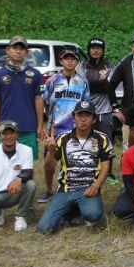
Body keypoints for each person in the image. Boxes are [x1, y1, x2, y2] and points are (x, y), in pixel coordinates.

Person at [37, 101, 115, 233]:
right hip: (65, 189)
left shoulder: (102, 138)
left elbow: (106, 167)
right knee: (44, 228)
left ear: (94, 119)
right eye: (79, 115)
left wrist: (95, 186)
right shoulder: (62, 138)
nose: (83, 119)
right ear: (74, 117)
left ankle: (78, 209)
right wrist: (51, 151)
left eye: (87, 115)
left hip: (88, 188)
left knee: (93, 214)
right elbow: (49, 167)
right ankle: (72, 210)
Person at [40, 47, 90, 203]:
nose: (70, 61)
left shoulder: (83, 82)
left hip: (75, 129)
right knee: (50, 162)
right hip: (56, 128)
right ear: (61, 61)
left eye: (73, 58)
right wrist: (48, 122)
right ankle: (48, 189)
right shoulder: (52, 81)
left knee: (72, 160)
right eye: (66, 58)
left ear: (77, 61)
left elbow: (85, 105)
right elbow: (46, 102)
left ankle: (69, 188)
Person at [0, 36, 44, 160]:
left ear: (27, 52)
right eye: (15, 48)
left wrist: (40, 126)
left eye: (22, 49)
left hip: (28, 126)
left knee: (28, 165)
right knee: (3, 162)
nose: (18, 51)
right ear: (8, 50)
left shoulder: (35, 74)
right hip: (5, 128)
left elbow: (38, 99)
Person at [76, 37, 115, 143]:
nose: (95, 50)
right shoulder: (82, 66)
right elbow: (81, 86)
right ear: (89, 50)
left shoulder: (110, 66)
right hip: (86, 111)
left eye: (98, 48)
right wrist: (101, 84)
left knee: (106, 142)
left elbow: (109, 86)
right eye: (93, 48)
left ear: (103, 50)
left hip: (105, 110)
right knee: (86, 141)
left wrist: (91, 84)